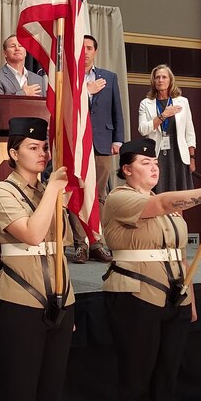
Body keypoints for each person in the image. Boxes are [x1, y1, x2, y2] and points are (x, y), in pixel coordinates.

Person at [102, 138, 201, 401]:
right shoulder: (120, 197)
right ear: (127, 170)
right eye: (144, 163)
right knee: (137, 378)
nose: (154, 168)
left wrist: (191, 297)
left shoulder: (168, 205)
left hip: (175, 297)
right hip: (136, 296)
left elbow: (179, 252)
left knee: (167, 377)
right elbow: (162, 204)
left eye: (155, 163)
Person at [0, 117, 74, 401]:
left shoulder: (49, 191)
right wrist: (53, 191)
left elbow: (65, 242)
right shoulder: (1, 192)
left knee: (51, 393)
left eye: (45, 147)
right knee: (20, 393)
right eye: (33, 147)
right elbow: (33, 234)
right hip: (20, 301)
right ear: (13, 153)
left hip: (61, 299)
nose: (43, 154)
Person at [71, 34, 123, 263]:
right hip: (76, 143)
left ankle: (96, 243)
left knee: (99, 194)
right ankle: (80, 244)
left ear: (95, 51)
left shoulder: (109, 78)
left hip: (102, 142)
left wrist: (118, 139)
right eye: (82, 48)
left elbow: (117, 110)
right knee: (76, 192)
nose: (86, 52)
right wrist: (85, 90)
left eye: (90, 48)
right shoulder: (69, 77)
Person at [137, 64, 196, 194]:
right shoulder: (146, 103)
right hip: (157, 155)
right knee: (158, 194)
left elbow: (189, 132)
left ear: (170, 80)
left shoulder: (182, 102)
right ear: (153, 81)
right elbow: (143, 129)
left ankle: (178, 216)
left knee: (180, 197)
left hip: (178, 155)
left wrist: (192, 158)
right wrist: (163, 115)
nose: (161, 80)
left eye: (164, 77)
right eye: (157, 77)